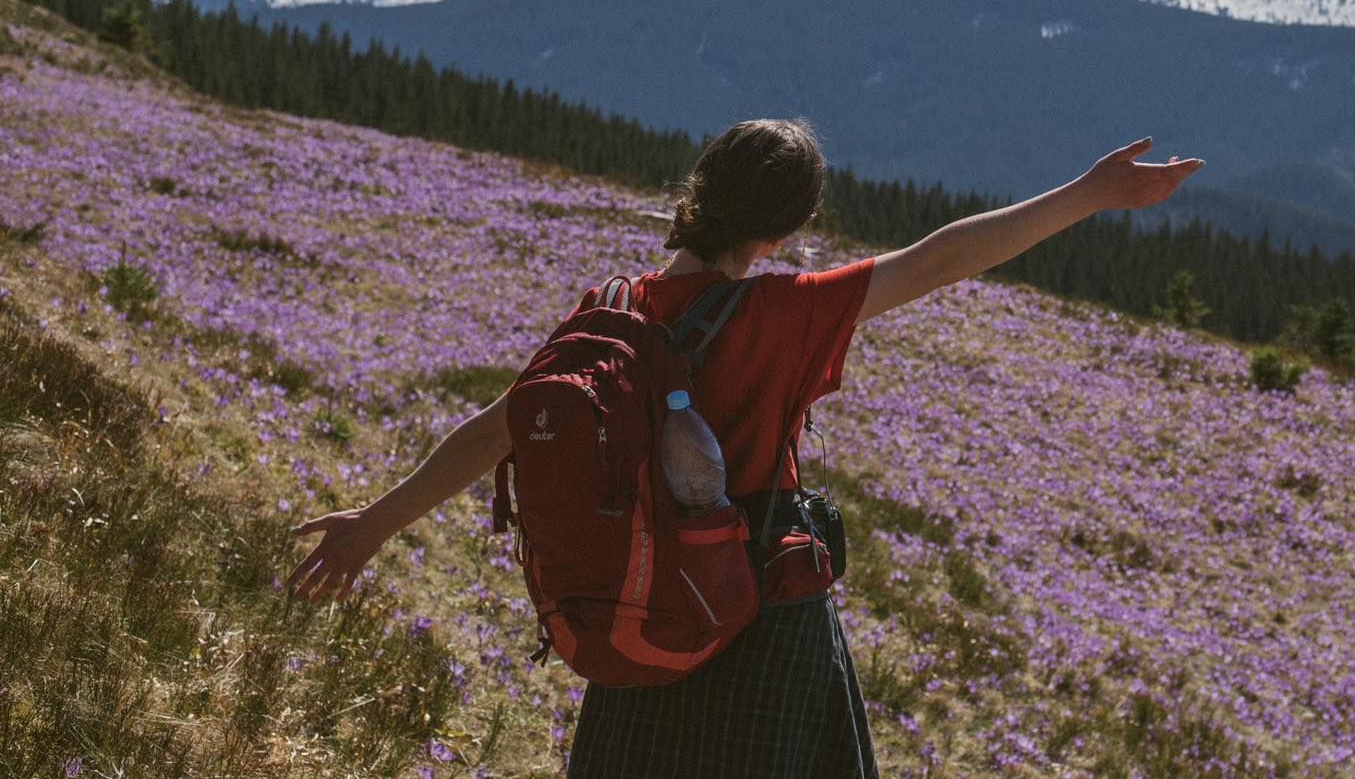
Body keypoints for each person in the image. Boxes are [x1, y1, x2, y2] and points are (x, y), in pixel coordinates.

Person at [287, 119, 1201, 777]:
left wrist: (373, 526)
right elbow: (939, 258)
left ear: (701, 191)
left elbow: (498, 431)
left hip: (639, 601)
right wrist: (1094, 194)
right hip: (759, 611)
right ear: (789, 226)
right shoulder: (787, 312)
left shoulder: (614, 312)